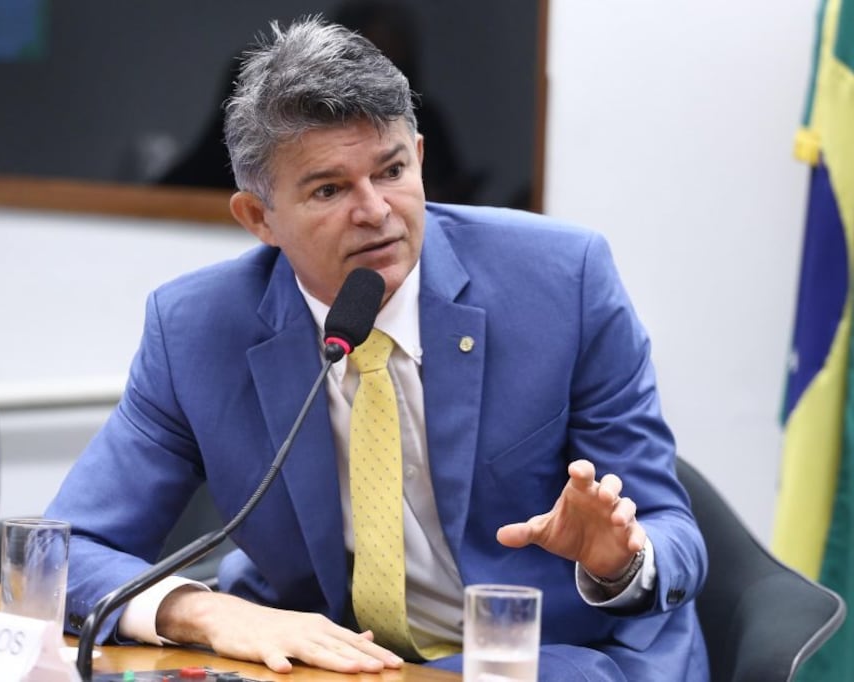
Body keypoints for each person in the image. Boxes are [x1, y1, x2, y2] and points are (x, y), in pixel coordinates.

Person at [46, 17, 708, 681]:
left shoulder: (562, 283)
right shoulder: (196, 330)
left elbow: (670, 528)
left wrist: (619, 560)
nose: (375, 211)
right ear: (259, 218)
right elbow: (66, 551)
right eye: (329, 189)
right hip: (334, 664)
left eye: (391, 171)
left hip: (551, 658)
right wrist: (208, 613)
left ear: (419, 158)